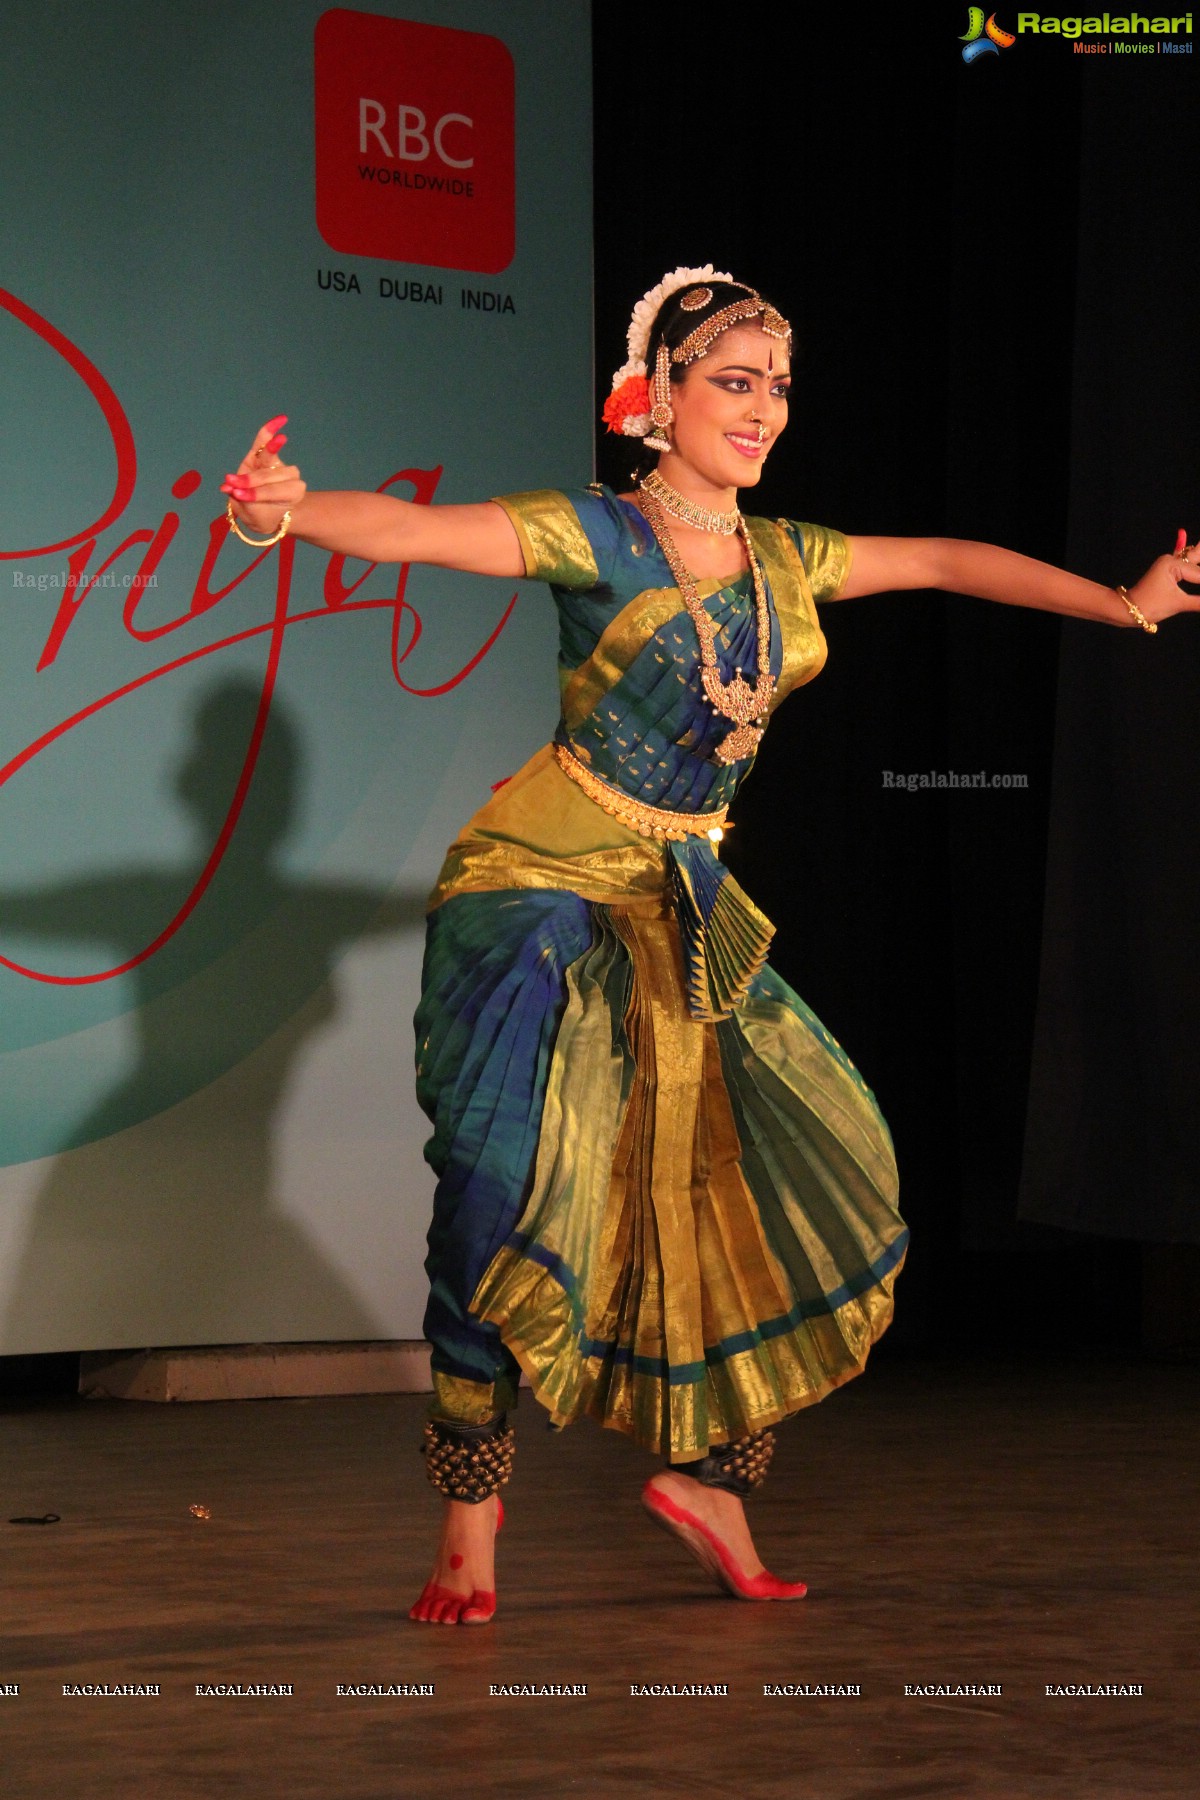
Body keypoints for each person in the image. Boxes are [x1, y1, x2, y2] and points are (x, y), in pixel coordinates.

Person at [221, 266, 1197, 1626]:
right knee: (501, 1184)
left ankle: (712, 1486)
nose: (764, 409)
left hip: (680, 900)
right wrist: (285, 513)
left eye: (779, 387)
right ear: (657, 395)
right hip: (540, 888)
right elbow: (409, 530)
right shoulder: (596, 534)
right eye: (735, 381)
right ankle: (471, 1509)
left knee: (750, 1178)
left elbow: (945, 561)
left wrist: (1125, 604)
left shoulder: (788, 557)